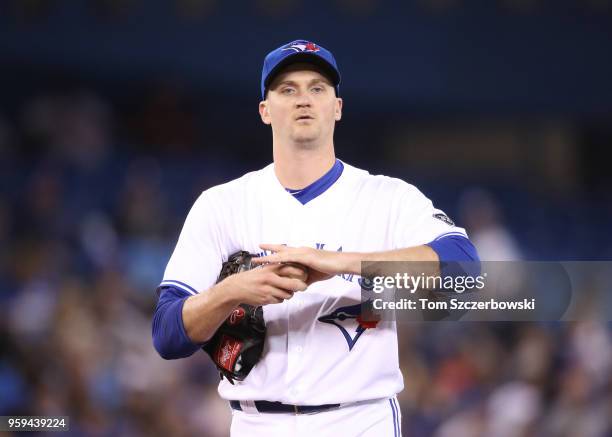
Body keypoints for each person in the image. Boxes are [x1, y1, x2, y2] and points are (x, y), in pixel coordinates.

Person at [152, 39, 479, 436]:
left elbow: (464, 269)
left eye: (317, 88)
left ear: (337, 108)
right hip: (257, 422)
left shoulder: (388, 198)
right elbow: (167, 335)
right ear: (265, 110)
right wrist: (231, 292)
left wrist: (340, 264)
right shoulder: (221, 205)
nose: (303, 99)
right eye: (287, 89)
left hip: (359, 419)